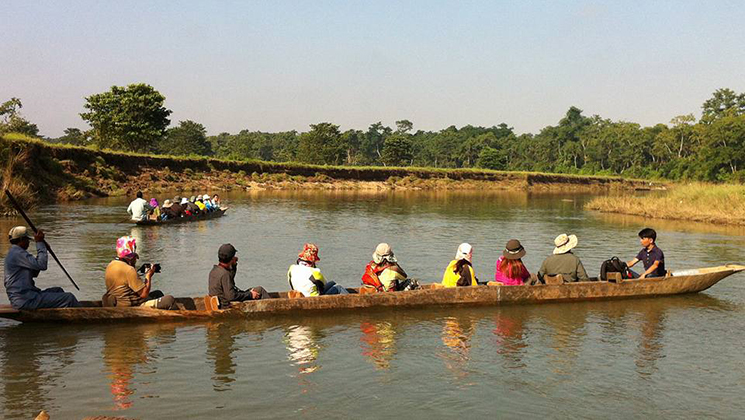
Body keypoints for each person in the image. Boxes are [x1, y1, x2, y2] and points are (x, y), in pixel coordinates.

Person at [4, 226, 80, 309]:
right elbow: (42, 265)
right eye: (27, 240)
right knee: (69, 298)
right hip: (25, 300)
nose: (29, 243)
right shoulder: (18, 253)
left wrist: (43, 247)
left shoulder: (16, 252)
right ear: (22, 240)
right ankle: (81, 318)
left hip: (28, 296)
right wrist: (40, 243)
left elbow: (35, 271)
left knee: (58, 290)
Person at [103, 236, 176, 309]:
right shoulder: (129, 270)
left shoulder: (111, 265)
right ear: (131, 257)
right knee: (169, 300)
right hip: (131, 306)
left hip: (117, 303)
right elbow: (144, 294)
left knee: (157, 293)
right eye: (135, 257)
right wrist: (148, 276)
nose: (136, 260)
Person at [208, 244, 271, 308]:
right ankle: (272, 308)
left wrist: (233, 265)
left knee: (257, 290)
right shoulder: (225, 274)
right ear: (232, 258)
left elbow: (229, 282)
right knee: (260, 290)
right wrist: (250, 295)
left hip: (219, 303)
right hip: (225, 305)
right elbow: (231, 296)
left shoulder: (214, 270)